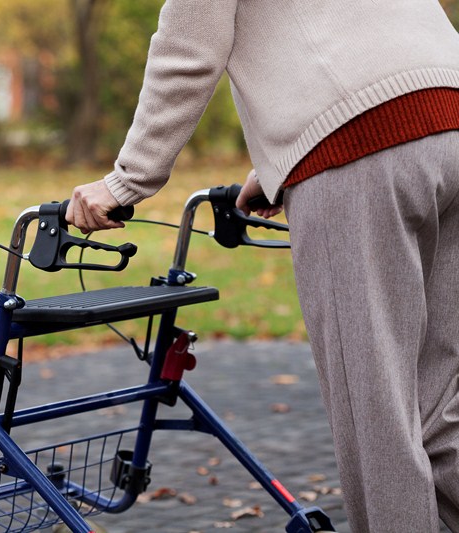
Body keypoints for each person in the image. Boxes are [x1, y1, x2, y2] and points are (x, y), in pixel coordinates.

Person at [64, 1, 459, 531]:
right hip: (449, 114)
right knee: (441, 412)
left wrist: (127, 181)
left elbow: (189, 48)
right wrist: (278, 161)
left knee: (378, 421)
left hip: (357, 149)